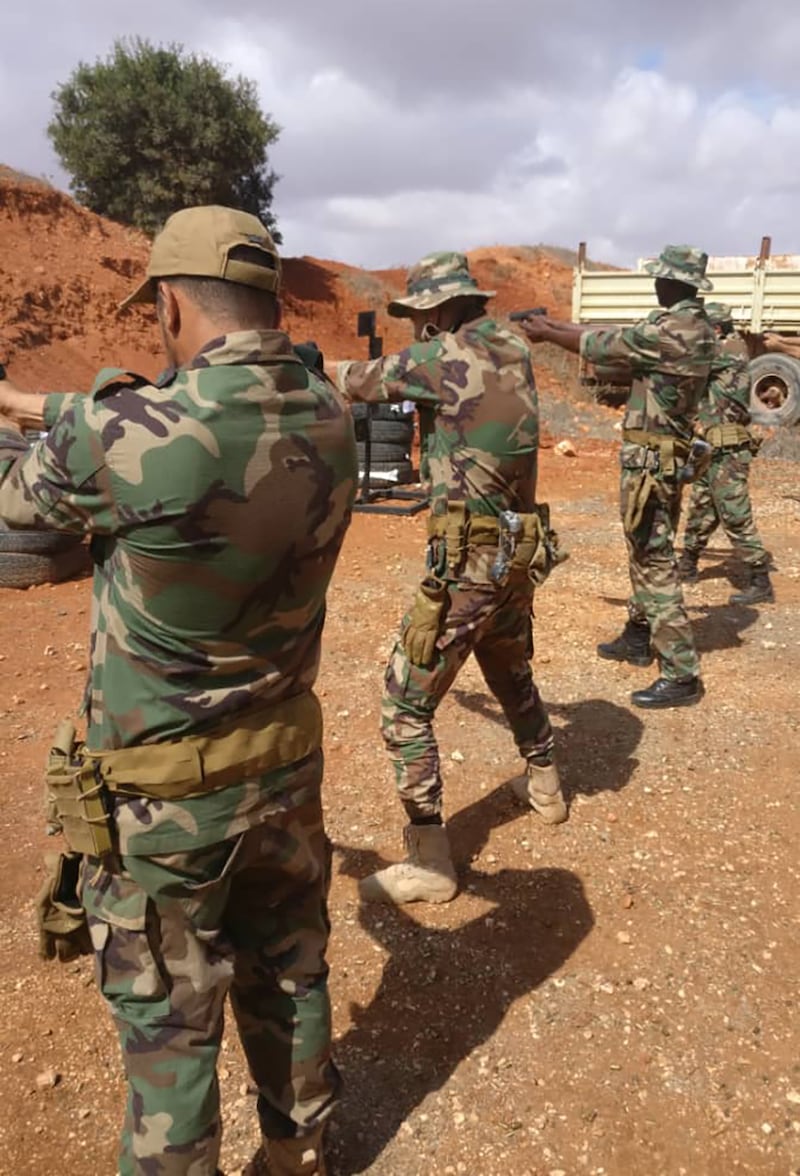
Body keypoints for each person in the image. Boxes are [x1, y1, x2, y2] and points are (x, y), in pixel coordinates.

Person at [0, 205, 358, 1176]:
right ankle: (301, 1151)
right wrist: (75, 404)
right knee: (291, 971)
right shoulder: (331, 417)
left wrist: (73, 404)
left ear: (166, 306)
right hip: (284, 774)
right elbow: (185, 421)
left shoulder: (118, 432)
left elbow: (21, 501)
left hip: (164, 805)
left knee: (170, 1018)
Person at [336, 251, 568, 907]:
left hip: (469, 563)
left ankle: (431, 862)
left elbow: (357, 380)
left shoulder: (441, 356)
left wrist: (301, 364)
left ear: (437, 311)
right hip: (517, 552)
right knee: (507, 666)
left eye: (418, 316)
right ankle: (545, 785)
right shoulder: (513, 348)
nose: (415, 327)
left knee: (403, 704)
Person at [520, 244, 716, 709]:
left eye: (660, 278)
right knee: (649, 548)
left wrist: (547, 332)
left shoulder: (670, 332)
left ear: (672, 283)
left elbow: (602, 343)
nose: (656, 284)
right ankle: (638, 634)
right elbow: (612, 335)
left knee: (653, 558)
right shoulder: (697, 327)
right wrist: (552, 325)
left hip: (651, 463)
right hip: (666, 459)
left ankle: (681, 673)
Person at [677, 302, 774, 604]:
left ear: (716, 329)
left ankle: (760, 580)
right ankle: (687, 565)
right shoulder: (723, 349)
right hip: (710, 447)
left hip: (728, 450)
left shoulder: (729, 349)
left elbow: (685, 360)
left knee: (734, 514)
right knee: (701, 508)